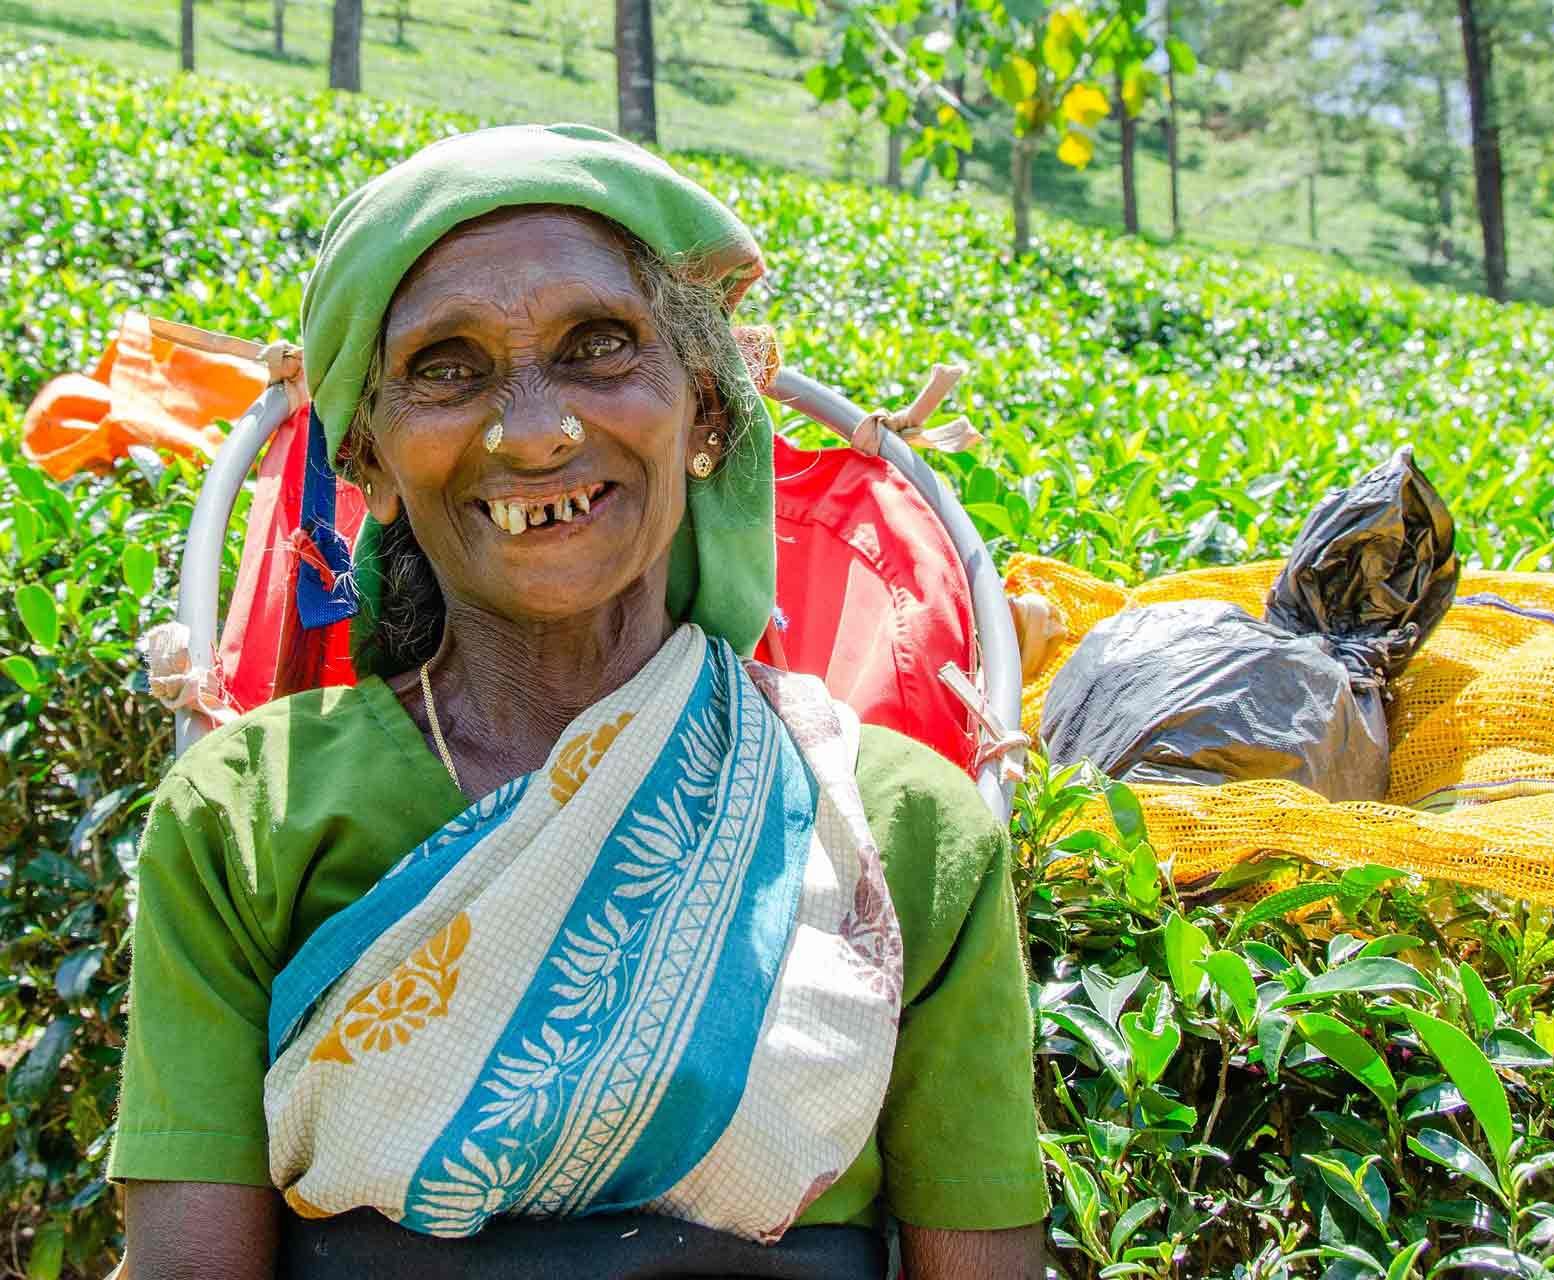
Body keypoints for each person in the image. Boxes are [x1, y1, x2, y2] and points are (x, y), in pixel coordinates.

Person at [108, 125, 1048, 1279]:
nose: (538, 427)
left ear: (707, 416)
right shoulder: (248, 811)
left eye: (600, 347)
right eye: (449, 369)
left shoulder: (903, 825)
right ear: (372, 467)